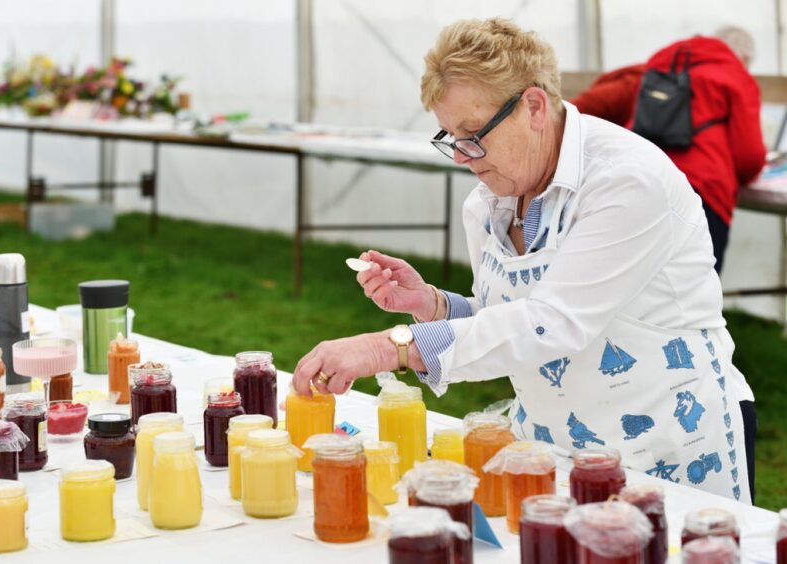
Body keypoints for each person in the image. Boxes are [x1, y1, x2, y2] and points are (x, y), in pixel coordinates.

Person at [292, 17, 756, 503]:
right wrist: (435, 305)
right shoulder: (489, 201)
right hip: (553, 446)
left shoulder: (626, 181)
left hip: (669, 447)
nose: (461, 157)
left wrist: (386, 348)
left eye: (472, 133)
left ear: (533, 106)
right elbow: (512, 319)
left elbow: (553, 322)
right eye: (450, 137)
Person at [571, 26, 767, 274]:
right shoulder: (736, 76)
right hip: (702, 193)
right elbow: (749, 158)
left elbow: (580, 110)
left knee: (635, 283)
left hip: (638, 179)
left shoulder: (662, 63)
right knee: (697, 291)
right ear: (745, 58)